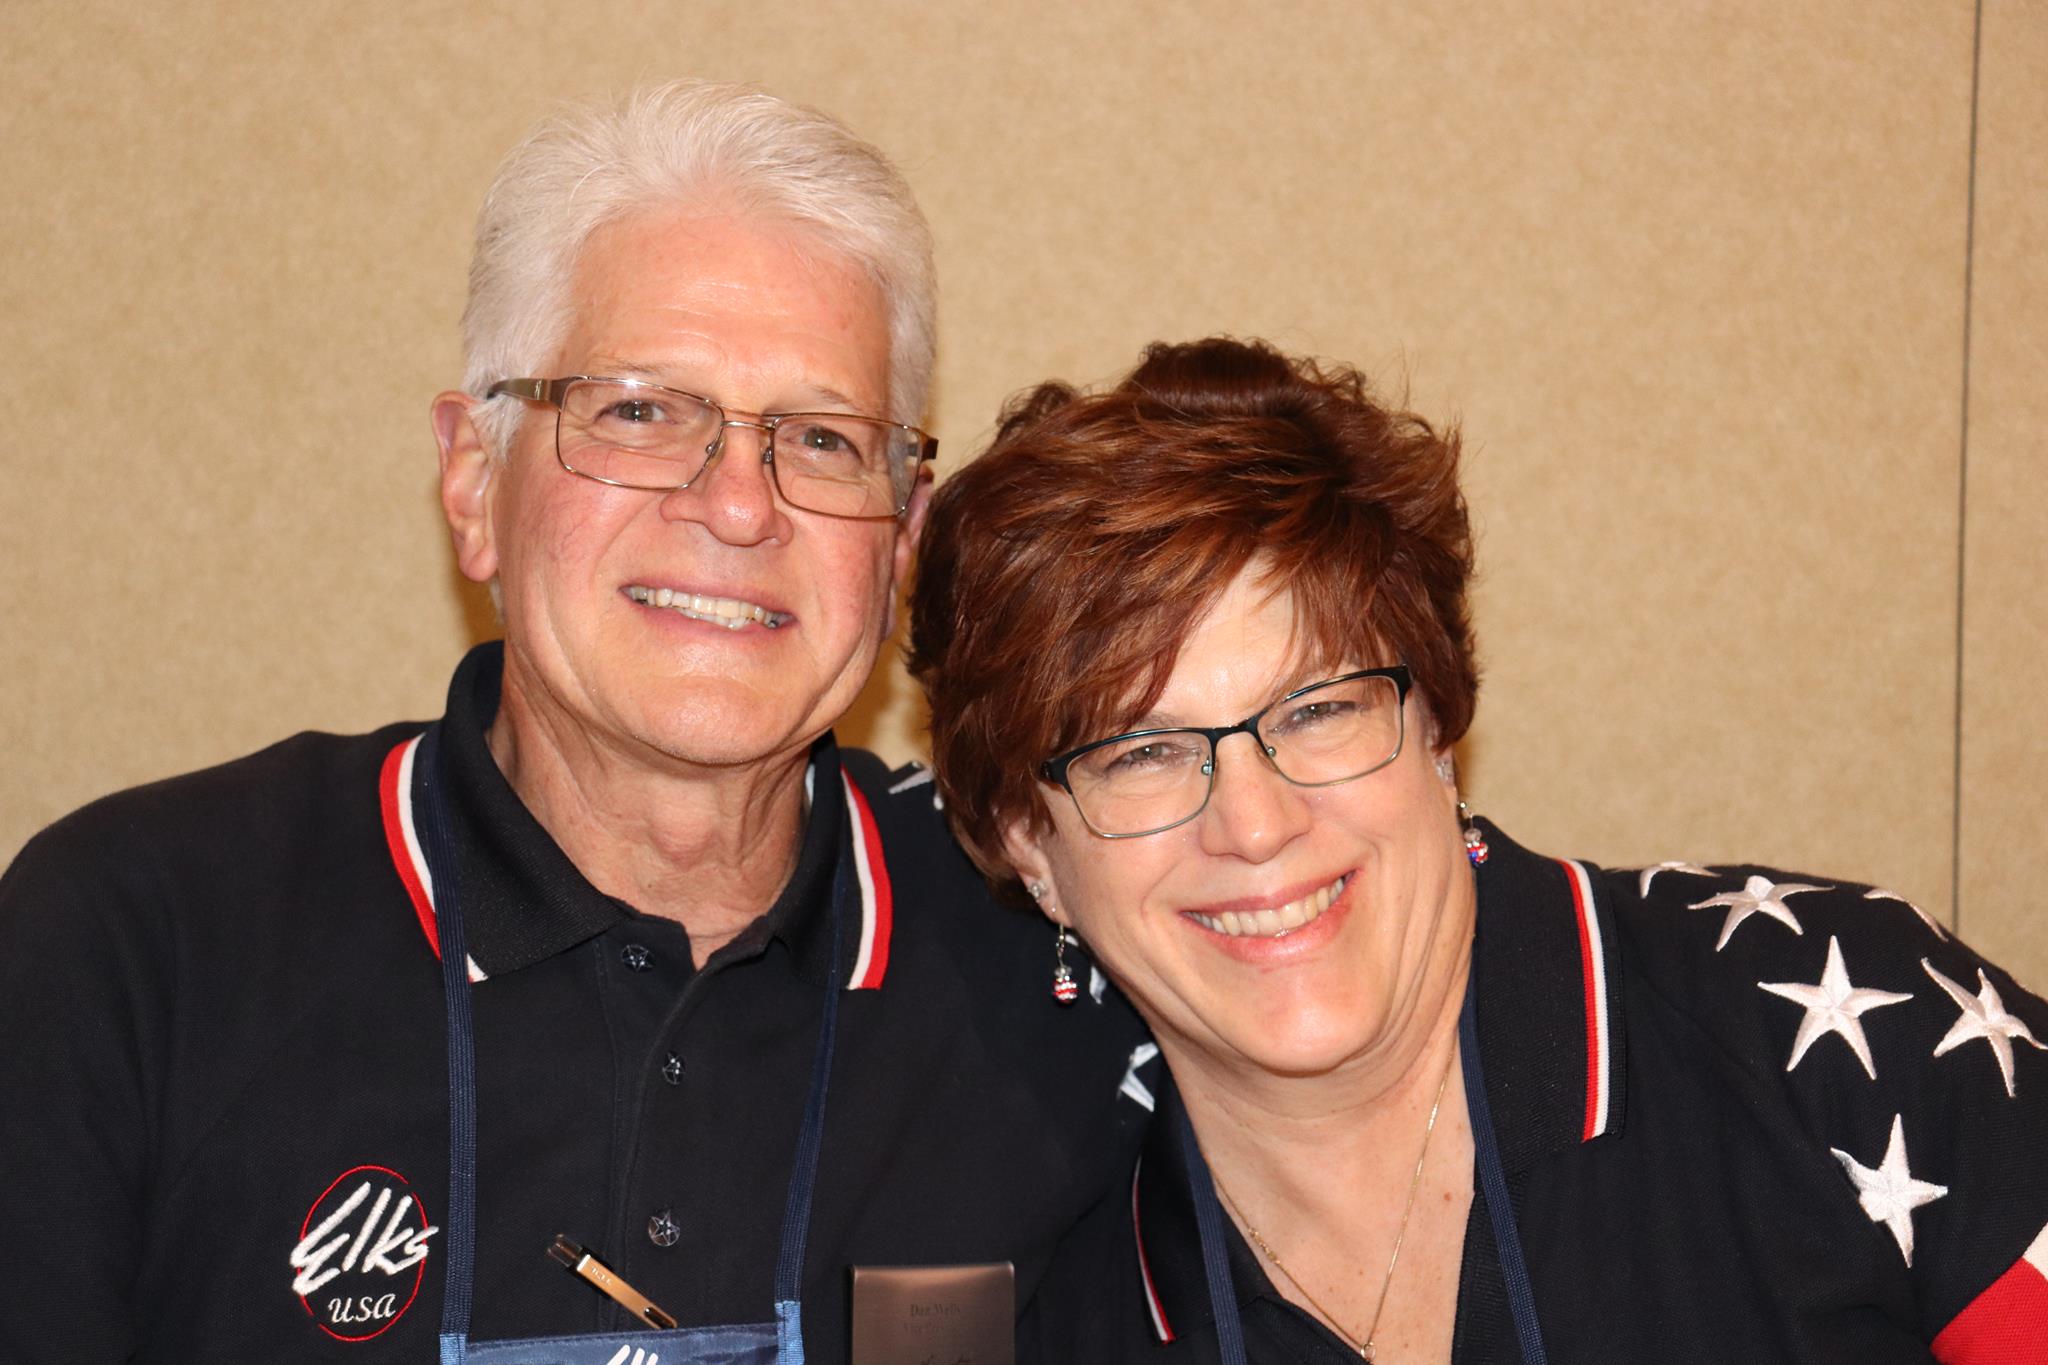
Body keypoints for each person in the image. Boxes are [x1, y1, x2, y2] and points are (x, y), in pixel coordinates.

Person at [0, 81, 1147, 1364]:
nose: (738, 507)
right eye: (640, 410)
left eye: (821, 439)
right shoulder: (136, 939)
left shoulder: (1050, 935)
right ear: (472, 480)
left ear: (899, 543)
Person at [908, 336, 2048, 1363]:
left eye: (1319, 709)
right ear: (1029, 845)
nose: (1253, 825)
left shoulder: (1839, 1039)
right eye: (1143, 752)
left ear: (1438, 731)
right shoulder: (1045, 1295)